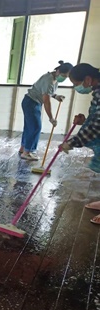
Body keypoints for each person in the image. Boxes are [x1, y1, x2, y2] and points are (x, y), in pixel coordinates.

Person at [59, 63, 100, 223]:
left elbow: (98, 124)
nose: (78, 88)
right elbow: (95, 117)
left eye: (77, 84)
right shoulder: (97, 92)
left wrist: (73, 142)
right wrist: (84, 121)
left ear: (88, 79)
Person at [20, 61, 73, 161]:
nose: (64, 78)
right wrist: (51, 118)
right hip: (31, 102)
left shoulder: (54, 78)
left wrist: (56, 96)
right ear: (58, 71)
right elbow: (46, 101)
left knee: (29, 126)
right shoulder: (49, 80)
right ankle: (27, 152)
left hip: (31, 102)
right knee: (36, 127)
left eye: (66, 77)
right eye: (63, 75)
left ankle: (23, 148)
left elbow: (46, 91)